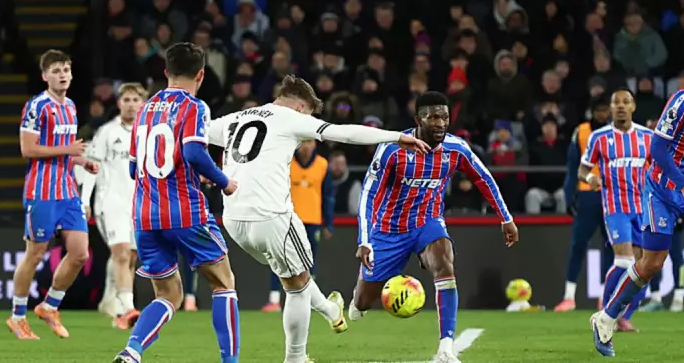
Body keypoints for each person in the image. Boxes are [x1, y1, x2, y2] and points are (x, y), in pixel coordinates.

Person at [207, 75, 430, 363]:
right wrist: (397, 137)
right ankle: (296, 358)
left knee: (293, 274)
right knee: (297, 287)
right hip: (271, 216)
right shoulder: (290, 118)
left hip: (233, 219)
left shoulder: (237, 117)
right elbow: (343, 133)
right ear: (301, 107)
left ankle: (330, 310)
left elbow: (194, 134)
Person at [592, 49, 684, 358]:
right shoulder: (683, 102)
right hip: (663, 187)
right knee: (651, 264)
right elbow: (658, 149)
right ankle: (606, 318)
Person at [349, 91, 520, 363]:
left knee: (444, 263)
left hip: (427, 222)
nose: (440, 123)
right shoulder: (393, 149)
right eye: (433, 117)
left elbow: (484, 178)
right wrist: (365, 239)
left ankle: (445, 348)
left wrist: (505, 217)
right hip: (389, 229)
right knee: (362, 303)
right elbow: (368, 194)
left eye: (444, 117)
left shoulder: (456, 148)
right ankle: (358, 300)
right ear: (418, 120)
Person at [113, 43, 240, 363]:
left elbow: (133, 168)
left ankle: (132, 351)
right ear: (201, 75)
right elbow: (194, 152)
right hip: (185, 211)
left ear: (166, 71)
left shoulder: (144, 109)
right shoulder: (194, 106)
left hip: (145, 214)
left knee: (168, 294)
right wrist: (223, 181)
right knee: (224, 283)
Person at [8, 50, 100, 340]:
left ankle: (49, 306)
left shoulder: (70, 106)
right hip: (42, 191)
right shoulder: (36, 106)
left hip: (67, 190)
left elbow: (64, 150)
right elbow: (28, 149)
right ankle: (17, 316)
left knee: (80, 253)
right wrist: (68, 150)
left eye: (66, 70)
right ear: (44, 76)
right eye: (56, 71)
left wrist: (81, 161)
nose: (63, 75)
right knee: (35, 254)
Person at [579, 89, 653, 332]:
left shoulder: (647, 137)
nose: (621, 106)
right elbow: (582, 169)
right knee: (624, 261)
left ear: (633, 106)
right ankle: (605, 311)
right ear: (611, 108)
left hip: (643, 209)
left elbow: (659, 170)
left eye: (626, 102)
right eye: (616, 102)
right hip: (616, 207)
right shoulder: (599, 137)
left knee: (643, 267)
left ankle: (623, 316)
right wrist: (590, 178)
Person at [82, 83, 147, 328]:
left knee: (131, 257)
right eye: (126, 100)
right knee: (121, 253)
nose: (131, 105)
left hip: (139, 204)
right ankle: (127, 309)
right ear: (119, 103)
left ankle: (114, 302)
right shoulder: (107, 132)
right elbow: (92, 166)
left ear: (143, 104)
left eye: (135, 100)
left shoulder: (148, 133)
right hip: (111, 202)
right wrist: (84, 200)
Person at [555, 96, 614, 312]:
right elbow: (573, 166)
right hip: (587, 193)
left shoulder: (617, 132)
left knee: (611, 246)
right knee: (578, 245)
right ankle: (569, 296)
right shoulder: (581, 132)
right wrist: (569, 194)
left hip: (610, 194)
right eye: (598, 110)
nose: (602, 114)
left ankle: (605, 297)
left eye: (604, 109)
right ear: (592, 111)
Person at [263, 139, 335, 312]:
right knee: (279, 258)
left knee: (309, 261)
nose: (306, 146)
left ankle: (310, 300)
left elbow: (328, 196)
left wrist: (328, 223)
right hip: (287, 219)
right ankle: (274, 300)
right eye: (303, 142)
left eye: (309, 142)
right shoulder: (286, 162)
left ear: (315, 144)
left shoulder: (322, 165)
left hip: (313, 220)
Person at [640, 220, 684, 312]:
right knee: (653, 258)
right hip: (655, 222)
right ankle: (655, 298)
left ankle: (678, 298)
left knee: (677, 257)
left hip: (674, 221)